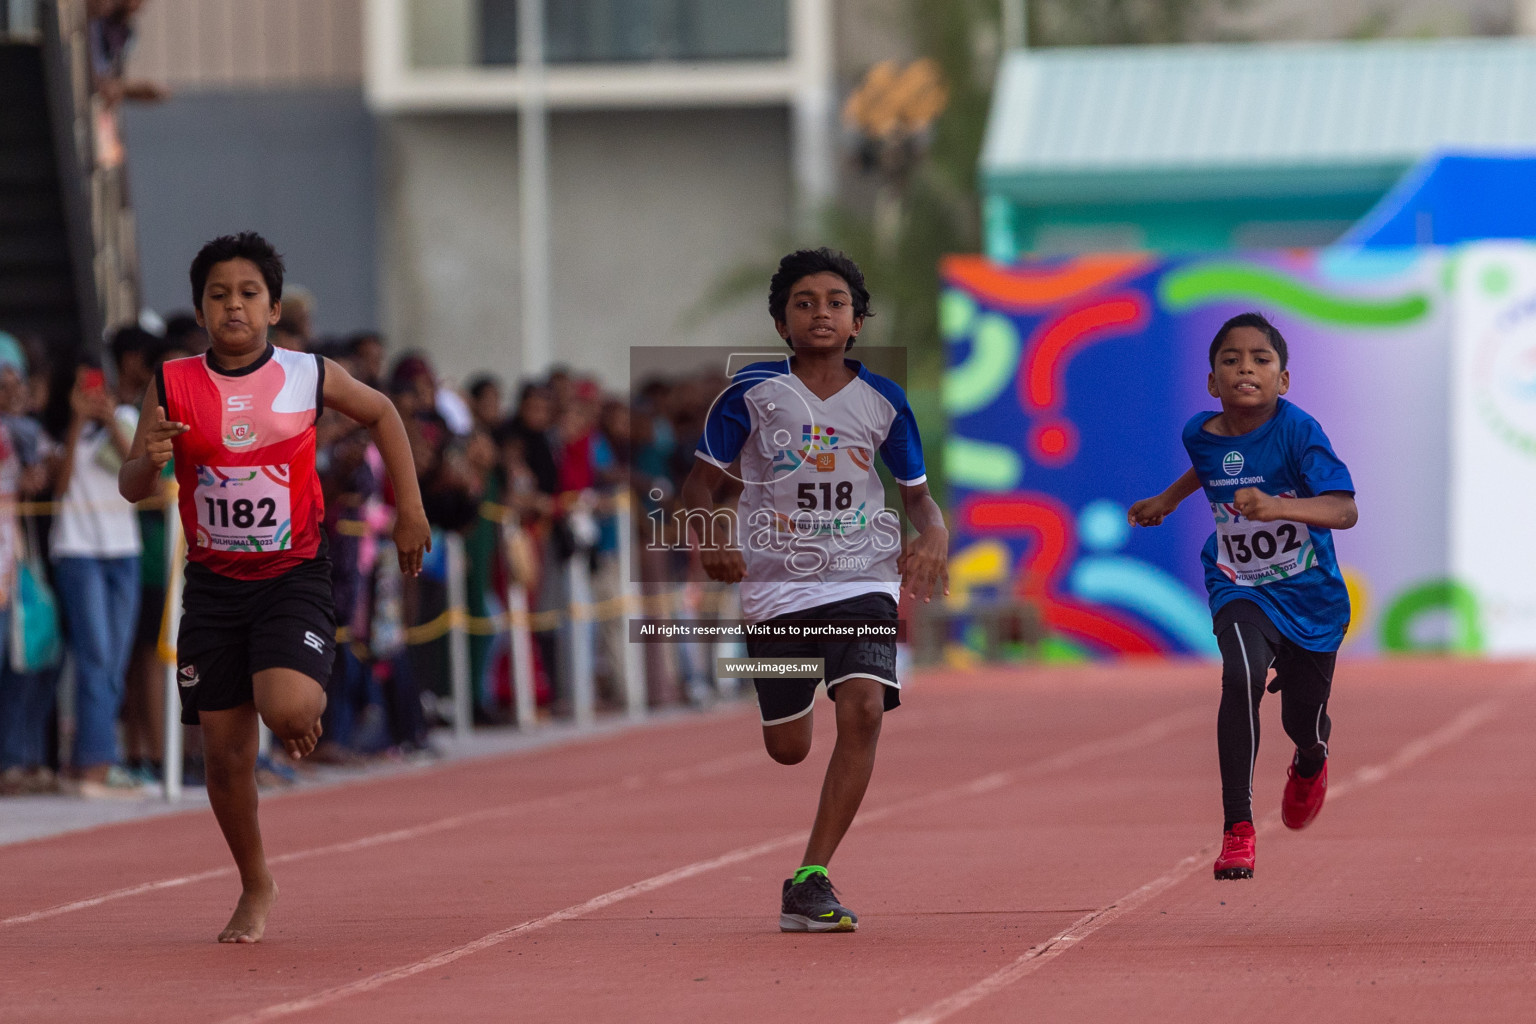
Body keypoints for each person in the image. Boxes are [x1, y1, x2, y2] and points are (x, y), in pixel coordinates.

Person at [118, 232, 431, 943]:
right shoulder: (171, 383)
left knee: (286, 708)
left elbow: (383, 412)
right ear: (200, 309)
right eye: (219, 295)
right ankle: (255, 884)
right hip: (214, 583)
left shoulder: (308, 373)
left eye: (248, 294)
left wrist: (410, 510)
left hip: (291, 574)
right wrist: (151, 461)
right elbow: (134, 484)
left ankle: (297, 710)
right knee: (223, 758)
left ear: (273, 307)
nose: (234, 306)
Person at [680, 247, 948, 932]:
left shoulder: (885, 400)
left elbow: (918, 500)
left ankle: (810, 877)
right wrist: (712, 536)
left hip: (862, 575)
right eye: (804, 303)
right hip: (776, 588)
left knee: (862, 709)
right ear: (781, 324)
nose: (820, 312)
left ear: (857, 321)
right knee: (789, 747)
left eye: (834, 302)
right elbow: (699, 486)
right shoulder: (750, 395)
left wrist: (935, 541)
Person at [1128, 311, 1357, 881]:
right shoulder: (1199, 433)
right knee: (1241, 675)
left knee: (1301, 722)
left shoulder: (1300, 431)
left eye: (1260, 360)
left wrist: (1277, 505)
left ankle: (1310, 758)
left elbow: (1344, 510)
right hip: (1238, 583)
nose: (1245, 369)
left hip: (1310, 600)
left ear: (1283, 380)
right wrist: (1167, 499)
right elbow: (1208, 468)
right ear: (1212, 382)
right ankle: (1238, 829)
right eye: (1231, 360)